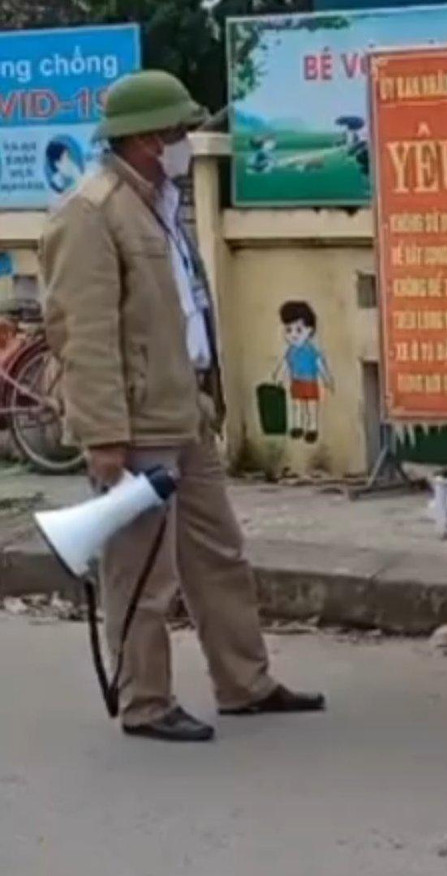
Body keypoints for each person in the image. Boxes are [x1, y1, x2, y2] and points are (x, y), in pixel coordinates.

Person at [40, 70, 324, 742]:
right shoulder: (91, 211)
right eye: (176, 132)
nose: (186, 143)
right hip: (134, 421)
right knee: (142, 570)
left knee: (218, 553)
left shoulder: (160, 201)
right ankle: (145, 701)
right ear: (144, 137)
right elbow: (84, 336)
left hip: (183, 409)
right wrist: (103, 436)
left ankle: (244, 684)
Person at [273, 300, 334, 443]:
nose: (293, 335)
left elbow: (320, 365)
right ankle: (298, 426)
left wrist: (327, 379)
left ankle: (312, 428)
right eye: (289, 330)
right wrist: (278, 377)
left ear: (309, 330)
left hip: (310, 381)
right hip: (296, 381)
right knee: (297, 405)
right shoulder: (291, 351)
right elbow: (285, 365)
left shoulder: (311, 351)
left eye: (298, 330)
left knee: (311, 406)